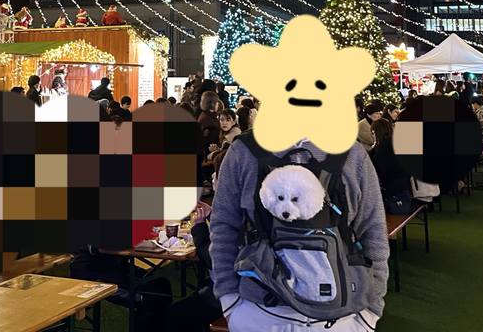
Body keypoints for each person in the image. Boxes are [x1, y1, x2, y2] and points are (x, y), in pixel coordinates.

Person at [210, 132, 389, 332]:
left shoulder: (353, 154)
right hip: (259, 313)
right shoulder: (243, 151)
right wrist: (230, 300)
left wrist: (371, 311)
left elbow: (374, 231)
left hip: (341, 317)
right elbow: (223, 226)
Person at [165, 202, 220, 332]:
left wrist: (199, 227)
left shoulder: (236, 214)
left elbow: (212, 258)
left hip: (230, 295)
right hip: (238, 289)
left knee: (174, 316)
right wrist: (211, 214)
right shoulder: (247, 211)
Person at [369, 118, 411, 211]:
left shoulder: (379, 152)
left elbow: (376, 174)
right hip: (404, 189)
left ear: (375, 133)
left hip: (390, 193)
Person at [197, 91, 221, 159]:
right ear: (213, 103)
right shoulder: (209, 120)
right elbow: (210, 142)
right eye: (217, 102)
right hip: (208, 156)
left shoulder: (204, 115)